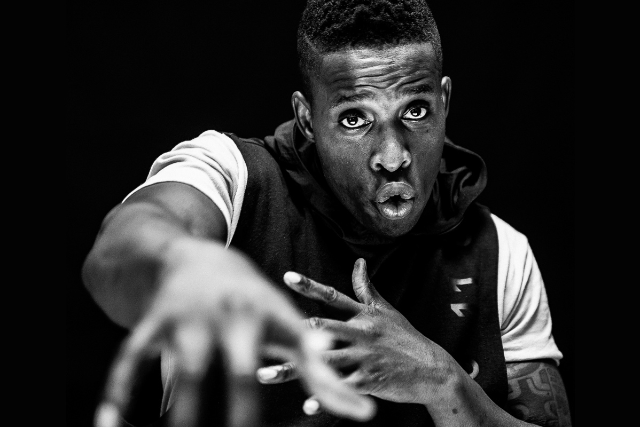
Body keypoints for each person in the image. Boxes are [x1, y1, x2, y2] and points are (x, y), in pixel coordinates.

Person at [82, 1, 572, 426]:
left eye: (416, 111)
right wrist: (182, 264)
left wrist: (442, 381)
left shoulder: (500, 253)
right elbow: (123, 244)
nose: (393, 157)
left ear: (444, 102)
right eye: (354, 119)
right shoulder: (234, 178)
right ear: (307, 119)